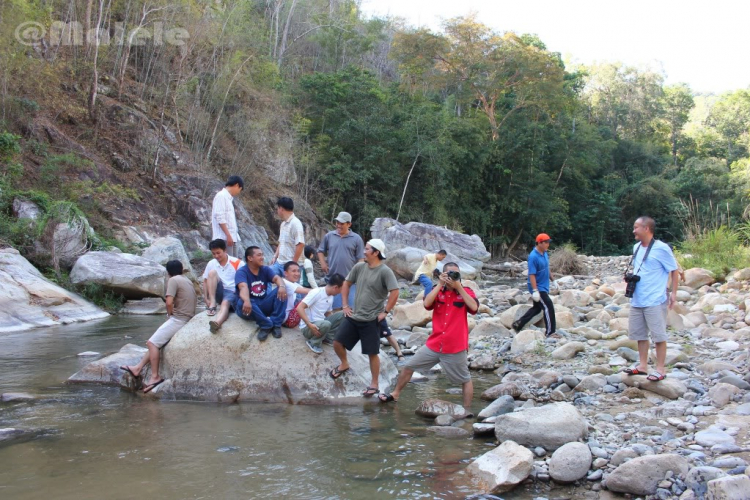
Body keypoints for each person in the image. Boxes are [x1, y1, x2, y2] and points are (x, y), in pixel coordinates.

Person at [379, 263, 478, 414]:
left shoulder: (466, 291)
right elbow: (426, 303)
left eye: (456, 274)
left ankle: (467, 409)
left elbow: (474, 308)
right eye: (449, 274)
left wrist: (458, 287)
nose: (453, 277)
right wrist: (440, 284)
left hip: (455, 345)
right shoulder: (436, 290)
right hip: (435, 343)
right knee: (408, 366)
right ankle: (396, 393)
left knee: (465, 378)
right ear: (443, 275)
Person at [329, 239, 399, 398]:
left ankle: (374, 385)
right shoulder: (359, 267)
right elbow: (346, 284)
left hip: (372, 319)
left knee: (372, 352)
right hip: (354, 316)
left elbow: (395, 292)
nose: (364, 251)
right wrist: (345, 305)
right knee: (337, 342)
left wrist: (386, 312)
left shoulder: (385, 271)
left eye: (367, 249)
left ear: (376, 253)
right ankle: (344, 363)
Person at [121, 260, 197, 393]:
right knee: (155, 342)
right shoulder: (187, 280)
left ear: (168, 272)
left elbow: (169, 302)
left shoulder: (173, 280)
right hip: (188, 317)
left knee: (152, 343)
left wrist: (170, 314)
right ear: (182, 269)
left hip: (179, 319)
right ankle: (138, 368)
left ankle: (155, 377)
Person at [621, 216, 679, 382]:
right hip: (638, 298)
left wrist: (673, 293)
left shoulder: (661, 248)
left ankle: (660, 369)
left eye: (636, 227)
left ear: (646, 229)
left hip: (655, 298)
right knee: (640, 335)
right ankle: (643, 365)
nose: (633, 231)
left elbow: (674, 270)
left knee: (658, 335)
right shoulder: (636, 247)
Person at [235, 246, 289, 340]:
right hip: (249, 308)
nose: (262, 257)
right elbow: (243, 287)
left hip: (263, 304)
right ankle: (266, 325)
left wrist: (281, 286)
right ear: (250, 258)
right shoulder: (242, 272)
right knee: (242, 301)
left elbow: (277, 278)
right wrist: (247, 300)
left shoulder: (265, 269)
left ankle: (276, 324)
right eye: (259, 255)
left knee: (281, 290)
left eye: (262, 255)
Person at [317, 211, 365, 311]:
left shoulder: (356, 239)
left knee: (350, 308)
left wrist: (358, 274)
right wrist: (323, 264)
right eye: (337, 222)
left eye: (342, 223)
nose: (338, 225)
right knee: (331, 308)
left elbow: (361, 259)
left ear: (349, 224)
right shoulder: (329, 236)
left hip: (350, 280)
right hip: (332, 278)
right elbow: (320, 251)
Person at [512, 233, 557, 338]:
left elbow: (547, 268)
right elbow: (531, 274)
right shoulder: (533, 256)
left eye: (548, 242)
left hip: (544, 286)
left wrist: (554, 281)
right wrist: (535, 290)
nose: (548, 245)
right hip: (537, 286)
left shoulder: (545, 253)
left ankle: (518, 324)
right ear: (539, 243)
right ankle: (550, 332)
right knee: (548, 306)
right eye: (546, 243)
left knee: (537, 308)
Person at [203, 239, 244, 333]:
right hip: (219, 291)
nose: (216, 256)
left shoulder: (237, 263)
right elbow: (205, 281)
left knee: (225, 303)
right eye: (213, 254)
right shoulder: (211, 263)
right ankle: (213, 302)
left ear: (225, 250)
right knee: (212, 273)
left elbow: (244, 282)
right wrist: (206, 298)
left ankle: (217, 323)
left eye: (218, 253)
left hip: (232, 292)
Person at [298, 274, 346, 354]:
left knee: (344, 314)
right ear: (335, 287)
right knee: (326, 324)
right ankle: (313, 343)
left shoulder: (331, 296)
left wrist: (334, 323)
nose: (341, 292)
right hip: (308, 327)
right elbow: (299, 308)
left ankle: (327, 337)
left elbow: (328, 313)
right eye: (341, 289)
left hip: (321, 323)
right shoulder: (316, 292)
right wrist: (309, 324)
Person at [271, 197, 304, 277]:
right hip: (279, 262)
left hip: (290, 264)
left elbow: (300, 244)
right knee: (267, 276)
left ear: (281, 209)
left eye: (278, 208)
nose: (277, 211)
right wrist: (275, 256)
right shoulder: (283, 224)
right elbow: (281, 242)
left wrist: (293, 264)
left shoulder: (296, 223)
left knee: (290, 288)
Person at [211, 176, 243, 257]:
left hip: (231, 237)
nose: (239, 192)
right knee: (226, 264)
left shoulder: (228, 198)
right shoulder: (221, 196)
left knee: (233, 264)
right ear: (236, 185)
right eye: (240, 189)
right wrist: (228, 235)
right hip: (224, 238)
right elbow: (219, 217)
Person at [279, 261, 312, 328]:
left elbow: (305, 289)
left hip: (288, 316)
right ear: (285, 273)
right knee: (309, 298)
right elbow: (307, 291)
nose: (297, 274)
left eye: (298, 271)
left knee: (310, 296)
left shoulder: (293, 283)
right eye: (293, 271)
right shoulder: (285, 282)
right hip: (286, 319)